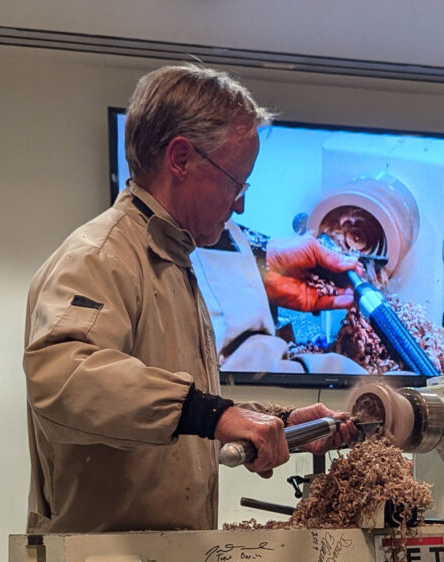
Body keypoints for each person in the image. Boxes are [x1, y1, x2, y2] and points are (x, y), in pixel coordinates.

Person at [23, 63, 357, 534]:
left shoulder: (172, 260)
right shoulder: (102, 256)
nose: (239, 203)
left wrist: (276, 423)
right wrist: (215, 415)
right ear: (180, 159)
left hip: (163, 555)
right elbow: (62, 380)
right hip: (104, 559)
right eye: (235, 182)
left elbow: (175, 418)